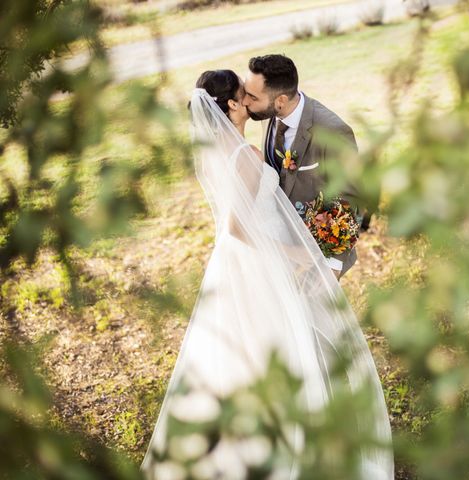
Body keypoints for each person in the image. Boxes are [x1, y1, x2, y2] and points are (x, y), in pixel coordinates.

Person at [140, 69, 394, 479]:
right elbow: (238, 227)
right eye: (244, 95)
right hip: (257, 260)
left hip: (235, 262)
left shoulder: (220, 150)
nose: (251, 102)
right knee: (278, 344)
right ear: (233, 105)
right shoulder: (242, 155)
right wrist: (294, 251)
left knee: (249, 349)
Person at [243, 54, 363, 280]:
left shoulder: (333, 131)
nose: (245, 102)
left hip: (317, 254)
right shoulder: (270, 116)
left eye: (252, 96)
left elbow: (352, 197)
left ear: (280, 100)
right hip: (281, 245)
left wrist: (333, 264)